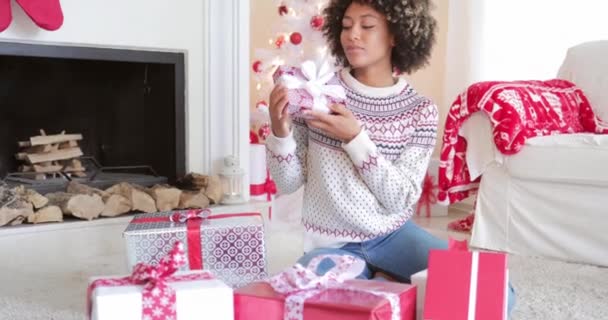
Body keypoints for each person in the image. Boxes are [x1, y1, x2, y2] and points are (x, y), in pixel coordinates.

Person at [266, 0, 515, 314]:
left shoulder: (420, 109)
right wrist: (280, 131)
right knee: (310, 308)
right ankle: (388, 286)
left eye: (367, 26)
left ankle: (385, 282)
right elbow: (287, 183)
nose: (352, 35)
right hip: (332, 243)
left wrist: (356, 139)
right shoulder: (317, 92)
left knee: (495, 293)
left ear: (396, 34)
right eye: (346, 26)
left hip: (393, 235)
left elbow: (401, 198)